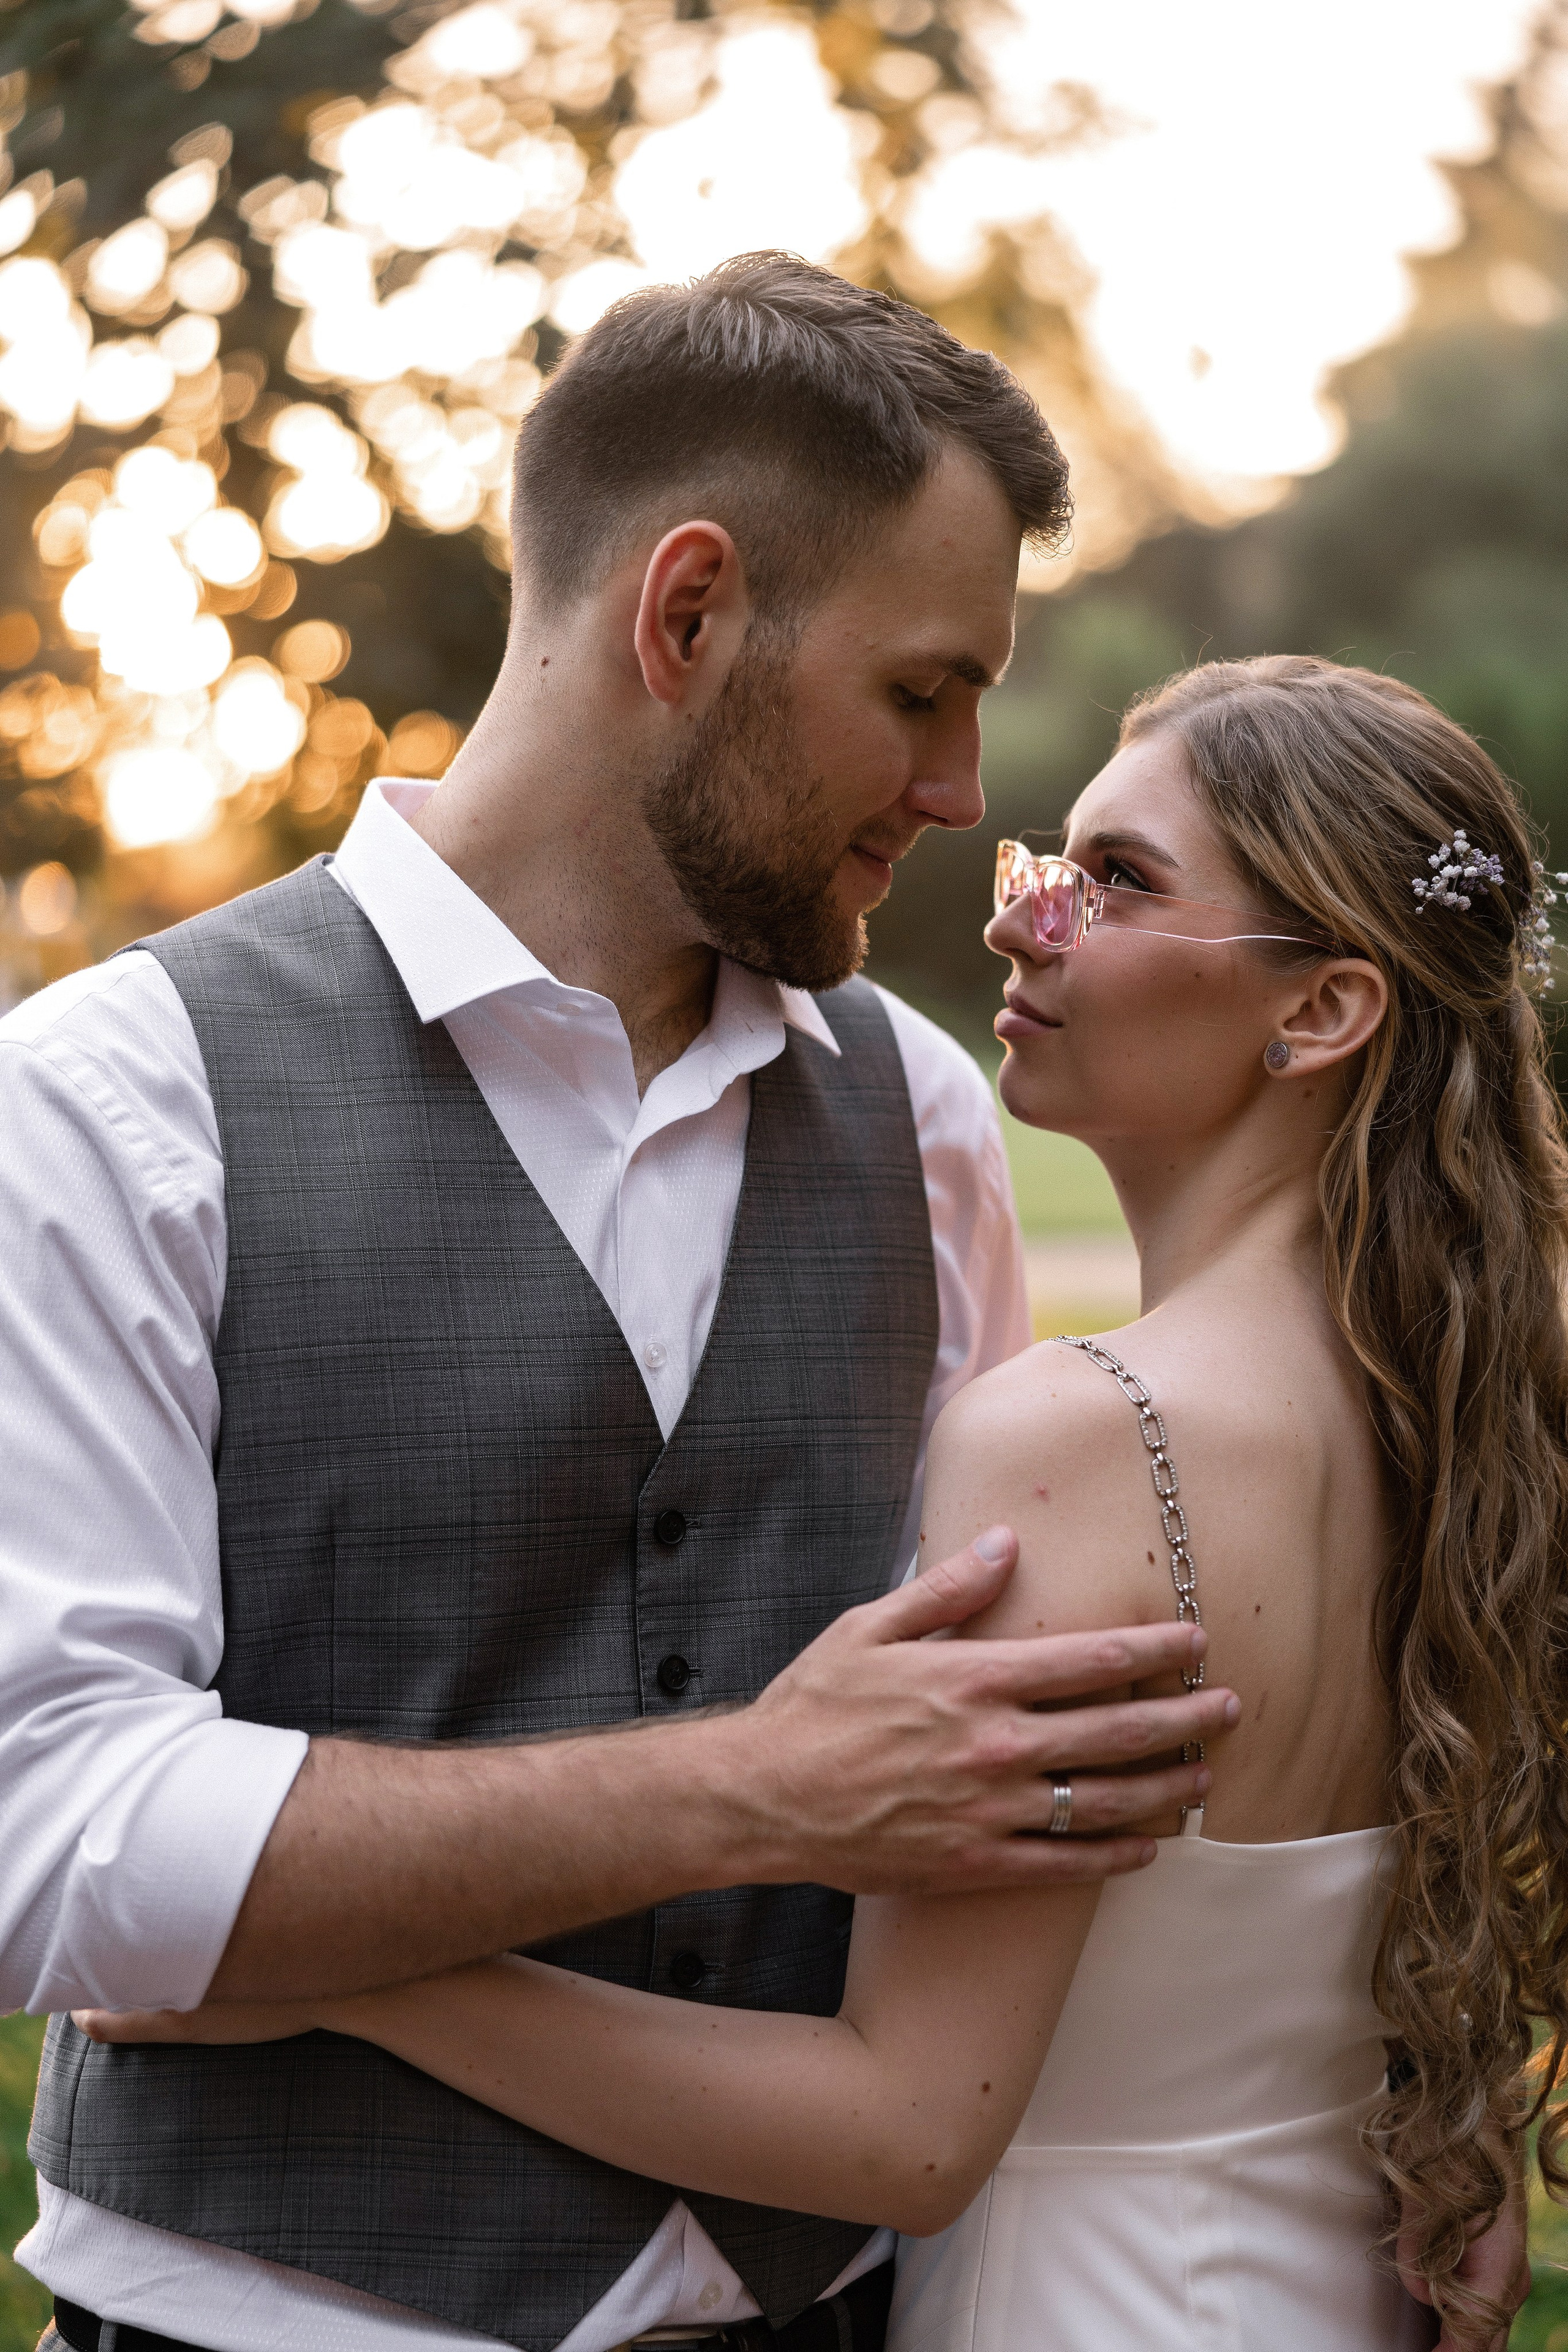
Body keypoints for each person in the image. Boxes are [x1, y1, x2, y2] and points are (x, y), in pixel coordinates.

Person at [1, 254, 1244, 2352]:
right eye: (921, 692)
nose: (961, 789)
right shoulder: (112, 1101)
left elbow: (997, 1793)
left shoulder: (927, 1119)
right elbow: (46, 1837)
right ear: (689, 618)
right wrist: (758, 1784)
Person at [86, 657, 1564, 2351]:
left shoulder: (1084, 1437)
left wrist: (343, 1970)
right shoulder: (1462, 1409)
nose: (1019, 922)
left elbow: (905, 2132)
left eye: (1118, 882)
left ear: (1324, 1009)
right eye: (1050, 862)